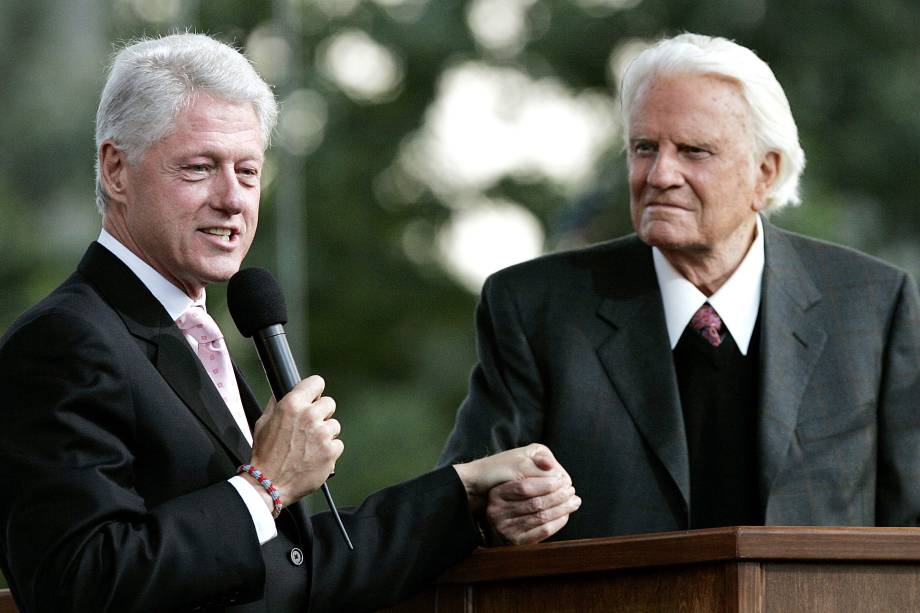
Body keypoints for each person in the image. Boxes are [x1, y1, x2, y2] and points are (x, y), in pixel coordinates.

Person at [0, 33, 581, 613]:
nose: (233, 199)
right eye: (200, 167)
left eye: (248, 172)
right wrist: (264, 486)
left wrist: (467, 494)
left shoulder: (184, 329)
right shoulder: (64, 341)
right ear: (117, 170)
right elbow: (75, 584)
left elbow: (295, 570)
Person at [439, 33, 920, 542]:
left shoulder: (872, 304)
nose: (660, 174)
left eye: (694, 151)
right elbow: (458, 505)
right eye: (644, 148)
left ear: (765, 172)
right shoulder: (535, 306)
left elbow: (910, 518)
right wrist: (500, 515)